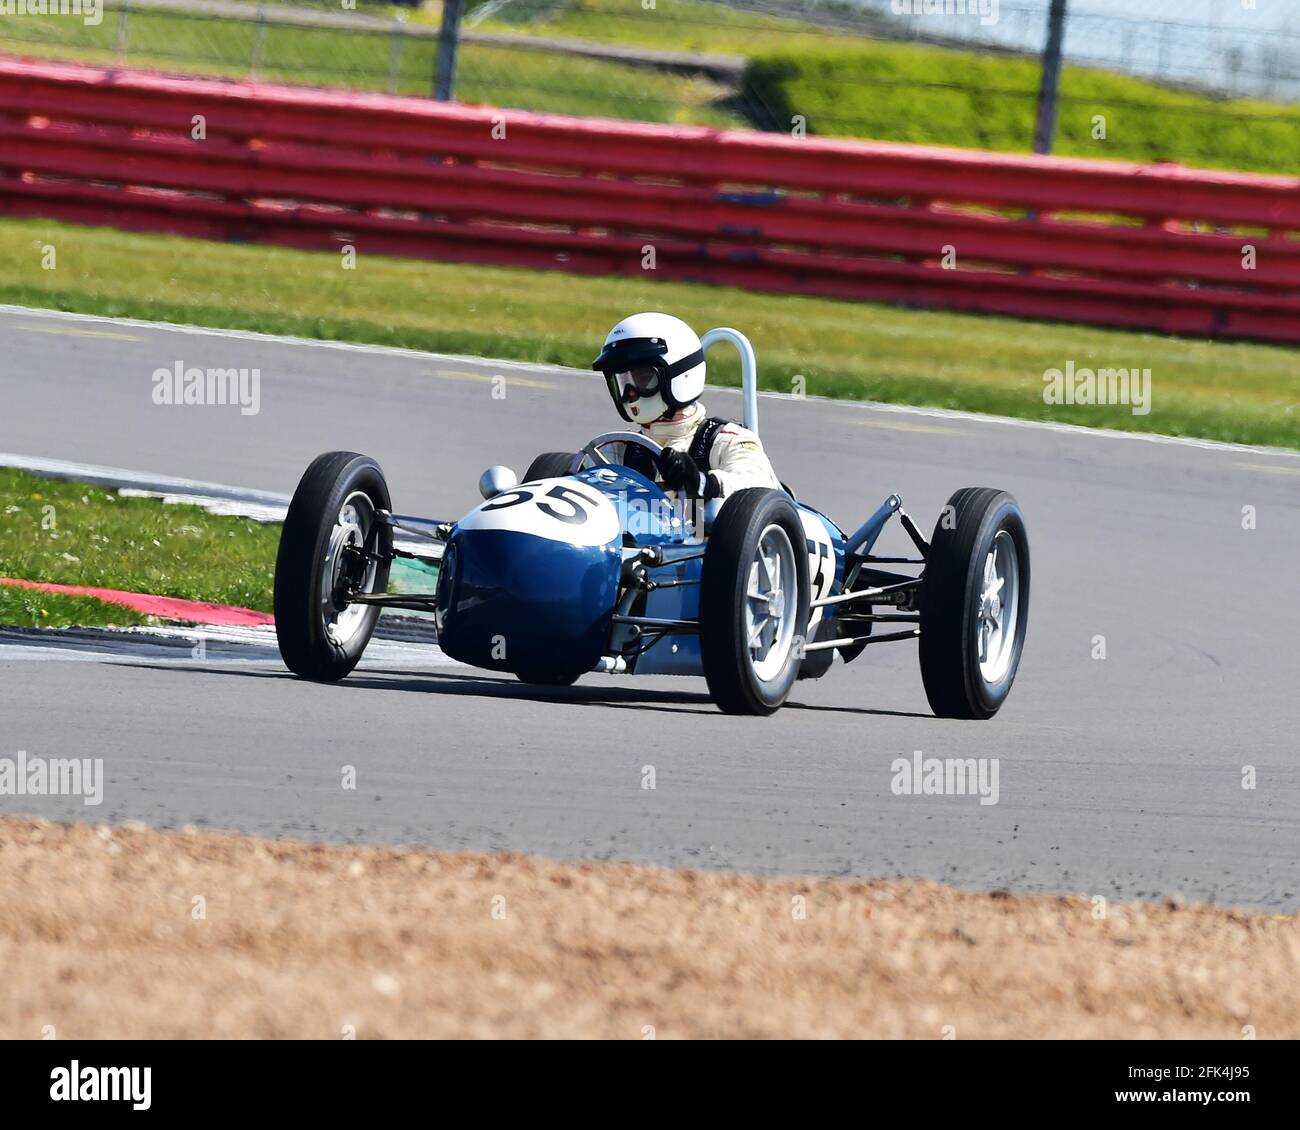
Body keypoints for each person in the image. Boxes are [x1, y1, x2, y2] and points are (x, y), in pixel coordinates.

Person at [591, 312, 781, 499]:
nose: (630, 393)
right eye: (622, 382)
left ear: (679, 375)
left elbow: (756, 487)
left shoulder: (726, 441)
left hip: (705, 530)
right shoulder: (618, 451)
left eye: (643, 377)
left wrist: (702, 483)